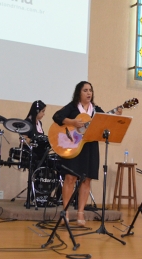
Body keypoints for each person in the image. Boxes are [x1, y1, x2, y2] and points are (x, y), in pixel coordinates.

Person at [52, 81, 122, 226]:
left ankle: (80, 213)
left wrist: (116, 114)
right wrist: (72, 122)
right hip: (73, 147)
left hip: (90, 147)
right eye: (85, 90)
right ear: (79, 93)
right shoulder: (72, 107)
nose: (89, 93)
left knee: (87, 179)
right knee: (70, 178)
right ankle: (65, 211)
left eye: (90, 90)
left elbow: (105, 121)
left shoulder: (95, 110)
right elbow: (57, 117)